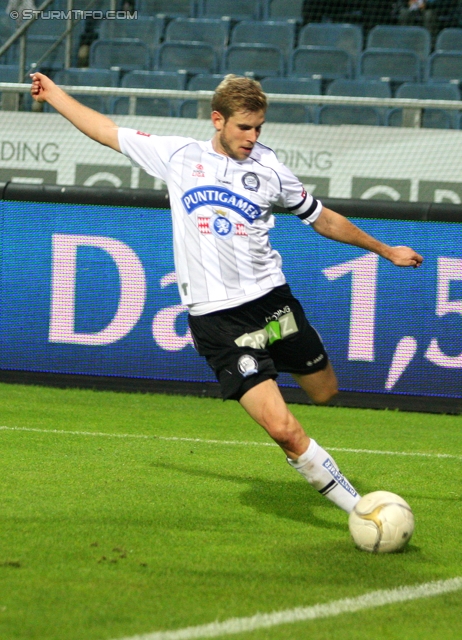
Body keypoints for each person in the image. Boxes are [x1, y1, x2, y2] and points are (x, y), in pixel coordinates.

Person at [30, 72, 423, 517]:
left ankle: (289, 389)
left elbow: (322, 219)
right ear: (218, 120)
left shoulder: (270, 170)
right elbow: (105, 130)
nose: (252, 137)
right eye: (243, 127)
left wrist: (386, 250)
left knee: (325, 392)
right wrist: (54, 94)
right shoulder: (178, 155)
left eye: (259, 128)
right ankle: (363, 512)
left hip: (274, 306)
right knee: (284, 429)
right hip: (219, 323)